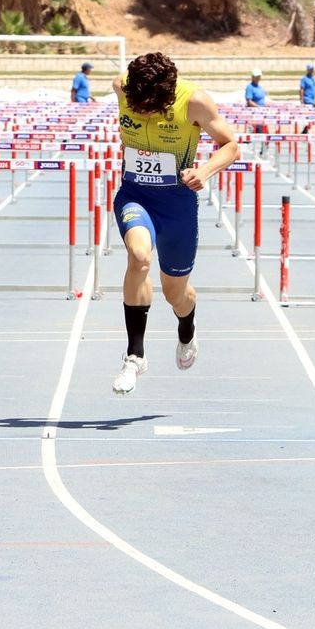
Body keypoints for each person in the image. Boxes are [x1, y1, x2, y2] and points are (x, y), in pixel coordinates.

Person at [109, 52, 242, 394]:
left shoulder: (194, 102)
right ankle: (134, 356)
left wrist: (204, 171)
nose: (141, 113)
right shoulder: (121, 88)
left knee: (176, 294)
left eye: (149, 108)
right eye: (136, 107)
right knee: (138, 258)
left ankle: (187, 327)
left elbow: (230, 145)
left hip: (177, 205)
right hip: (135, 195)